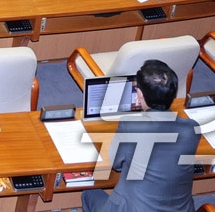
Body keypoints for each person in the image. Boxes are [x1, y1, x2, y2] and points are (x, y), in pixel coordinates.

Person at [79, 60, 197, 212]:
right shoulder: (191, 128)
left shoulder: (130, 125)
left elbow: (116, 163)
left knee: (89, 193)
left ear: (139, 94)